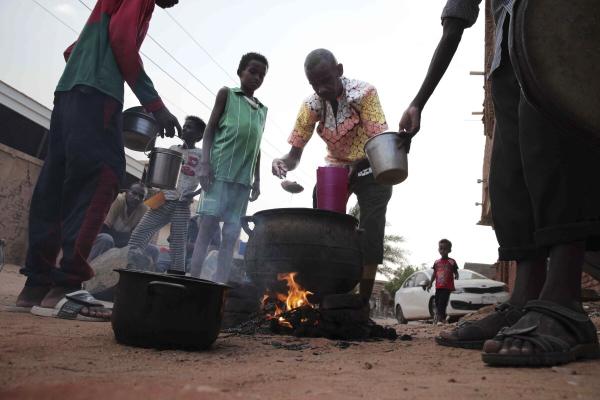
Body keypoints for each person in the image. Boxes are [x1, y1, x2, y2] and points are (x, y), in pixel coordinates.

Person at [400, 1, 600, 366]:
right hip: (508, 49)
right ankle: (525, 298)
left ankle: (563, 299)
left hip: (559, 21)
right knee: (510, 170)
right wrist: (420, 100)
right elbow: (456, 19)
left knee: (553, 143)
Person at [15, 0, 182, 318]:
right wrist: (155, 105)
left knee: (56, 184)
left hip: (68, 93)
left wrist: (90, 66)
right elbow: (121, 40)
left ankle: (36, 285)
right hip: (98, 95)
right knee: (101, 177)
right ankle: (67, 287)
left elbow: (73, 50)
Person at [272, 49, 390, 302]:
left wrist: (357, 166)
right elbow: (294, 155)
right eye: (314, 84)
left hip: (371, 163)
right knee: (324, 226)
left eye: (326, 80)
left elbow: (379, 141)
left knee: (371, 229)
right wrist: (281, 163)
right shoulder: (311, 105)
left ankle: (362, 301)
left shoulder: (364, 93)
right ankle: (326, 291)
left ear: (339, 70)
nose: (321, 89)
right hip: (336, 166)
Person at [189, 52, 268, 284]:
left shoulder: (262, 110)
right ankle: (193, 281)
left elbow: (257, 146)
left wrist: (258, 179)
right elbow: (210, 129)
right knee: (207, 228)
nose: (257, 77)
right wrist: (204, 164)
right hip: (218, 173)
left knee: (231, 234)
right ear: (240, 71)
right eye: (252, 71)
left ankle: (219, 286)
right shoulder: (227, 94)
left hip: (243, 181)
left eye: (262, 75)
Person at [128, 116, 206, 274]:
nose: (184, 129)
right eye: (184, 127)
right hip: (162, 198)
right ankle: (129, 264)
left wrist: (194, 193)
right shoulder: (173, 149)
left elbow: (207, 182)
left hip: (183, 203)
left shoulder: (202, 155)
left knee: (178, 244)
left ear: (199, 136)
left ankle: (176, 275)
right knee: (140, 232)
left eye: (189, 127)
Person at [88, 182, 158, 263]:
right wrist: (129, 238)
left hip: (124, 244)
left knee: (153, 250)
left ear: (144, 199)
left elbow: (140, 237)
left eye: (141, 196)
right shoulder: (118, 200)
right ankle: (88, 269)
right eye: (134, 193)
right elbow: (104, 229)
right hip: (104, 239)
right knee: (106, 239)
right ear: (127, 192)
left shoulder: (144, 209)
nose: (137, 198)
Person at [426, 239, 459, 324]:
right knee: (437, 302)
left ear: (449, 250)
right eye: (441, 248)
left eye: (445, 249)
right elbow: (434, 273)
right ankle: (443, 318)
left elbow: (455, 270)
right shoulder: (436, 262)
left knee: (442, 302)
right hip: (438, 286)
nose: (443, 251)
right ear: (438, 249)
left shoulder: (452, 261)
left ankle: (440, 319)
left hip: (447, 287)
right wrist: (430, 284)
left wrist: (456, 275)